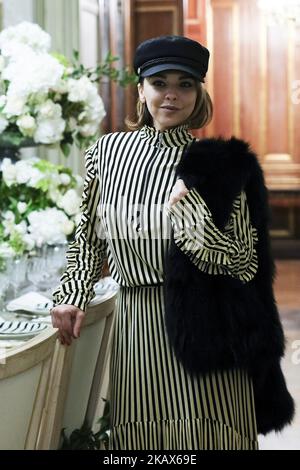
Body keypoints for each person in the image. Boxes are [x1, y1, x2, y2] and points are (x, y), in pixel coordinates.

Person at [51, 35, 294, 450]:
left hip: (208, 327)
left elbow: (244, 263)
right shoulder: (105, 153)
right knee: (144, 442)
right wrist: (72, 293)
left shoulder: (221, 163)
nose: (171, 95)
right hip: (136, 328)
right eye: (160, 82)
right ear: (140, 88)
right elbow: (88, 240)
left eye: (185, 84)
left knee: (210, 437)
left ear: (199, 93)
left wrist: (194, 219)